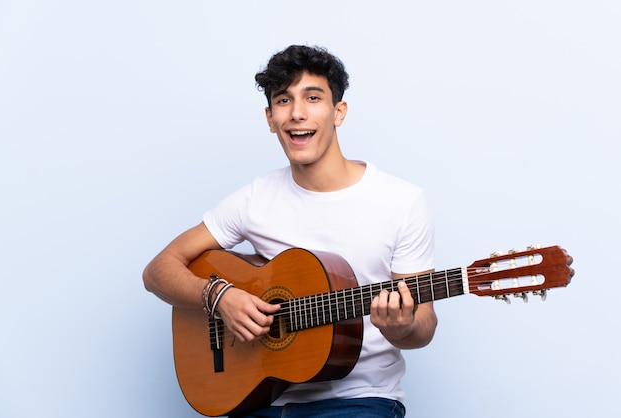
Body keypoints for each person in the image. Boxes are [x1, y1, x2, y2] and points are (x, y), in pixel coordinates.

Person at [143, 45, 438, 418]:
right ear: (270, 118)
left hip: (361, 400)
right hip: (257, 396)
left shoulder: (401, 201)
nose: (297, 113)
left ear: (338, 111)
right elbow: (156, 271)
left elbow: (423, 324)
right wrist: (219, 296)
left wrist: (401, 327)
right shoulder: (255, 199)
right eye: (283, 100)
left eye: (313, 98)